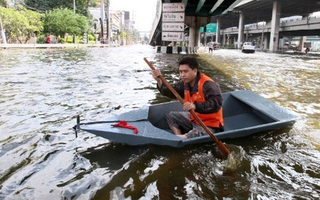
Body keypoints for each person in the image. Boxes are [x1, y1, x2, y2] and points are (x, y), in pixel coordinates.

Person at [152, 57, 224, 139]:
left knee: (191, 135)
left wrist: (195, 106)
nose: (182, 75)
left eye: (186, 71)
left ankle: (181, 139)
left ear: (195, 71)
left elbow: (217, 103)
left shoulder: (208, 84)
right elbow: (171, 92)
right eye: (180, 72)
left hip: (210, 125)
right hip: (194, 119)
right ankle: (178, 139)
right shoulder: (185, 83)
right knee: (171, 116)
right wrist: (159, 81)